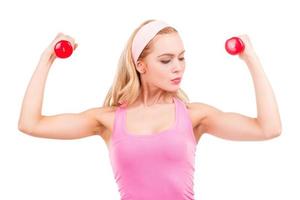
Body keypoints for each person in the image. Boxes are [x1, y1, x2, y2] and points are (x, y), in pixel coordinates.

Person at [18, 19, 282, 200]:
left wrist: (251, 59)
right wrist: (47, 59)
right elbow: (31, 124)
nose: (178, 67)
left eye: (181, 57)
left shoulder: (193, 116)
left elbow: (268, 129)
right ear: (141, 65)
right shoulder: (108, 120)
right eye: (166, 60)